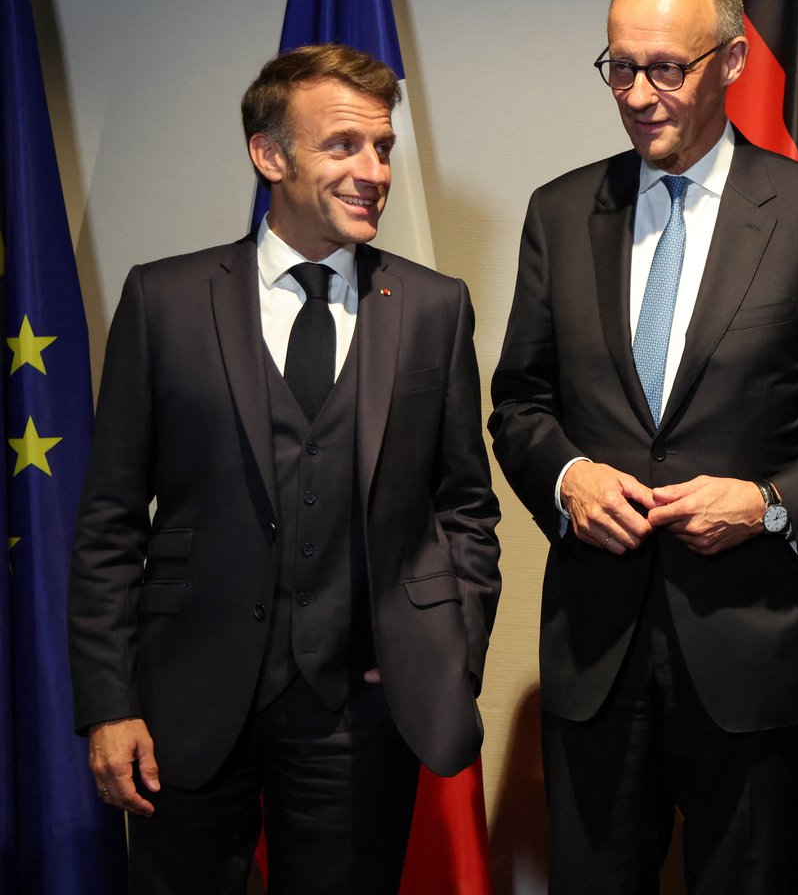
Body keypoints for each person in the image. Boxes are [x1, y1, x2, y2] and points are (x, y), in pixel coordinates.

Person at [488, 0, 798, 894]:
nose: (637, 95)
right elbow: (519, 402)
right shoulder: (560, 213)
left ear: (731, 61)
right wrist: (568, 480)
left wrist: (768, 503)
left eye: (665, 68)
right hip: (597, 657)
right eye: (619, 67)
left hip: (758, 659)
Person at [68, 43, 501, 894]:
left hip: (360, 712)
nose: (374, 171)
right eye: (344, 145)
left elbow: (465, 507)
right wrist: (110, 702)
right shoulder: (164, 301)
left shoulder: (433, 307)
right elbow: (109, 522)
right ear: (269, 155)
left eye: (382, 147)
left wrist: (444, 653)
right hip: (184, 702)